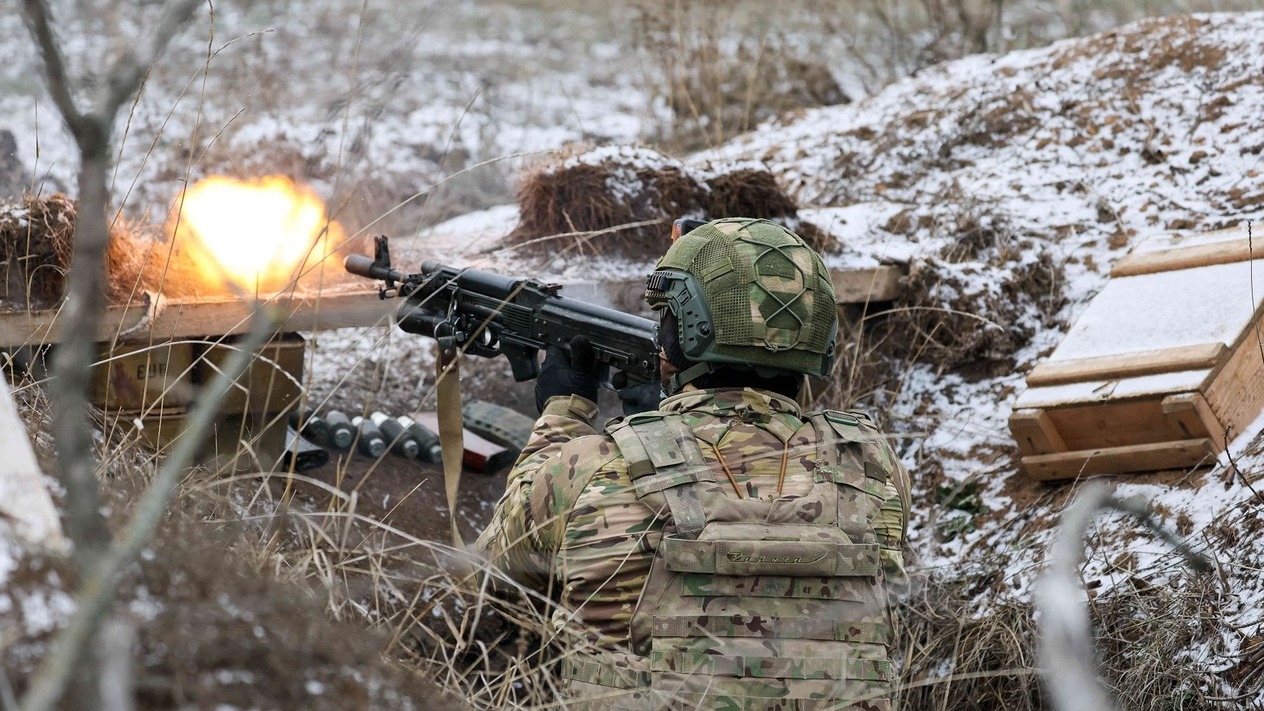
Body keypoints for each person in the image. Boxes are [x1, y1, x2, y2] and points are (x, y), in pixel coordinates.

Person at [476, 217, 911, 710]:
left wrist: (564, 412)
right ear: (821, 336)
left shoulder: (592, 467)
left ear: (676, 338)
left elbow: (493, 572)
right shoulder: (873, 468)